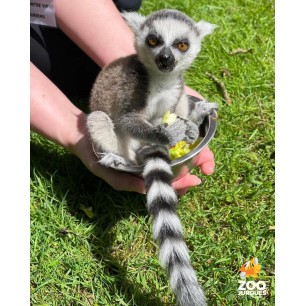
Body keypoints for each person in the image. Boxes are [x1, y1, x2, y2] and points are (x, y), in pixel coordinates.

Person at [30, 0, 215, 195]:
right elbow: (127, 120)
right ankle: (120, 157)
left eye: (182, 45)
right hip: (120, 138)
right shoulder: (134, 90)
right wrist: (74, 134)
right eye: (154, 41)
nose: (166, 55)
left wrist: (185, 121)